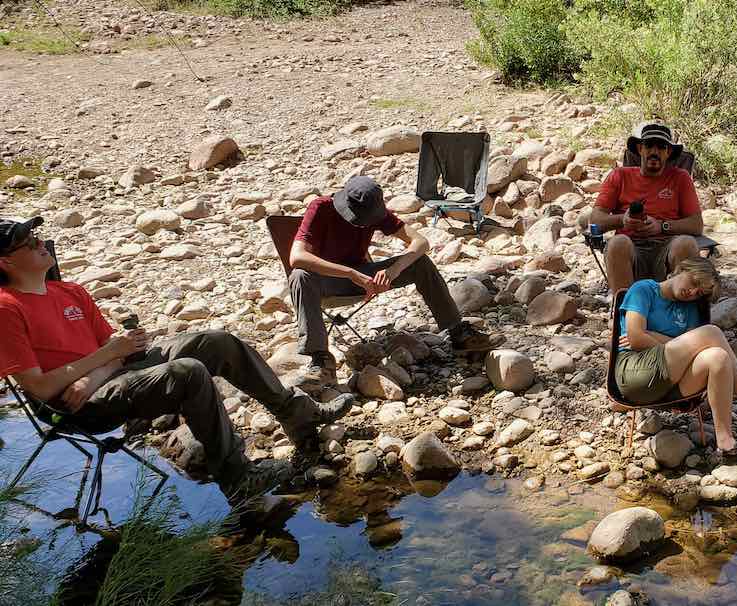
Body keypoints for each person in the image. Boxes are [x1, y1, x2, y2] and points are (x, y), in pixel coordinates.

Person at [0, 217, 350, 503]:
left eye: (37, 235)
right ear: (6, 262)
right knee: (188, 372)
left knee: (216, 342)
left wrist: (99, 368)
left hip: (101, 378)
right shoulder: (6, 308)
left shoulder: (70, 291)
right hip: (75, 406)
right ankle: (238, 478)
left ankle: (294, 412)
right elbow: (41, 388)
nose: (40, 243)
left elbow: (117, 348)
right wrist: (107, 359)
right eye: (29, 243)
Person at [289, 176, 501, 383]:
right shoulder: (321, 207)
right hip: (330, 281)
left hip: (365, 277)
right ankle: (321, 359)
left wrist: (393, 271)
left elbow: (420, 242)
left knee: (421, 263)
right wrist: (350, 274)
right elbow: (297, 257)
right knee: (299, 276)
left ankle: (458, 333)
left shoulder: (374, 212)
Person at [615, 257, 737, 462]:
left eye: (699, 292)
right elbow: (636, 338)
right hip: (636, 375)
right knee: (711, 333)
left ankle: (726, 441)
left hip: (672, 384)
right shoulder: (644, 290)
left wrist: (655, 335)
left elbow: (695, 349)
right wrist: (676, 342)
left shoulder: (691, 309)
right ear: (681, 269)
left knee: (717, 357)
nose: (693, 292)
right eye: (693, 283)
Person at [589, 122, 704, 293]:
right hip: (630, 248)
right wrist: (623, 220)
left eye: (661, 147)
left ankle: (682, 312)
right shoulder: (619, 176)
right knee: (617, 243)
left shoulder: (680, 178)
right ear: (640, 148)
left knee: (686, 243)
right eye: (649, 145)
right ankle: (625, 311)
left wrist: (662, 225)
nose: (654, 152)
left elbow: (696, 225)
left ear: (669, 152)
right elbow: (595, 220)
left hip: (667, 246)